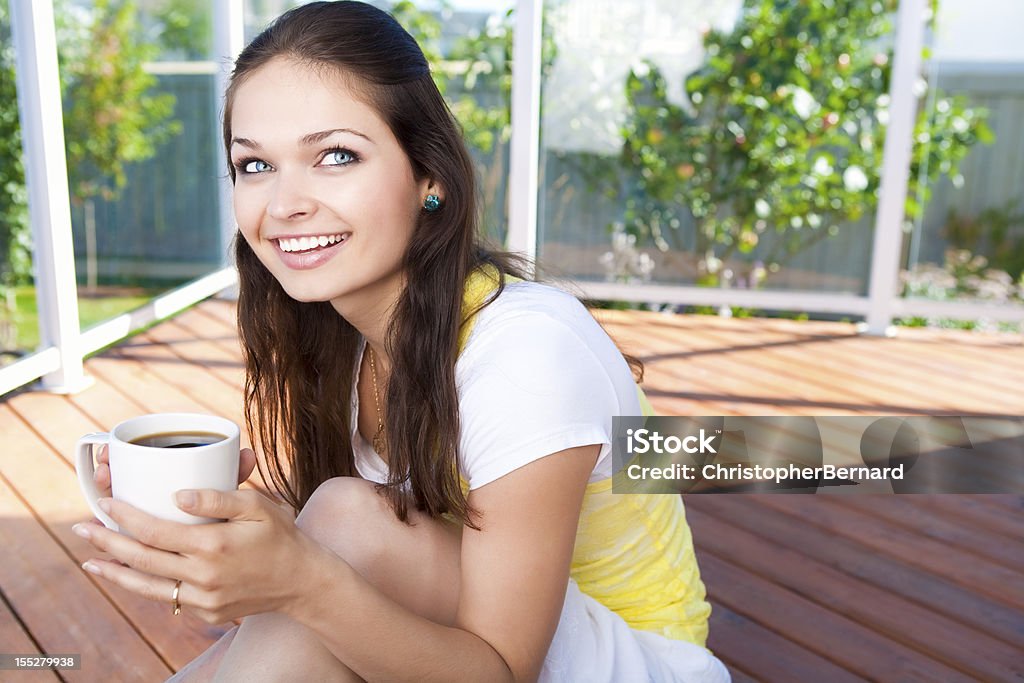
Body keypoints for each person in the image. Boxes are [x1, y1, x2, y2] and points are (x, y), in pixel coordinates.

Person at [74, 2, 730, 681]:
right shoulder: (342, 335)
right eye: (255, 165)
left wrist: (302, 575)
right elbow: (373, 570)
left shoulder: (526, 351)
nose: (284, 203)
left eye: (335, 155)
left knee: (340, 527)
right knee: (326, 543)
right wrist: (246, 537)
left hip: (640, 664)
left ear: (430, 176)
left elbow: (496, 667)